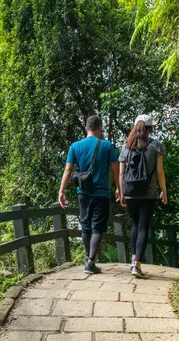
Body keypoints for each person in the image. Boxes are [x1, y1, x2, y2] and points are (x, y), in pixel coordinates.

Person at [59, 115, 120, 274]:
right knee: (98, 227)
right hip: (102, 193)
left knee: (85, 226)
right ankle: (91, 261)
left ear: (86, 129)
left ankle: (88, 259)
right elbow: (115, 168)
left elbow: (68, 170)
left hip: (83, 193)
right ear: (99, 128)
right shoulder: (107, 146)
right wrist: (119, 188)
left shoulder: (75, 146)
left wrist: (61, 191)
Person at [119, 114, 167, 278]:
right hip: (149, 193)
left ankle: (134, 262)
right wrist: (164, 192)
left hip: (130, 192)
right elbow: (160, 171)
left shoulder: (127, 145)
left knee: (135, 225)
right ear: (150, 128)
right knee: (143, 227)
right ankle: (137, 264)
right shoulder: (156, 146)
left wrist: (121, 192)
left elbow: (121, 173)